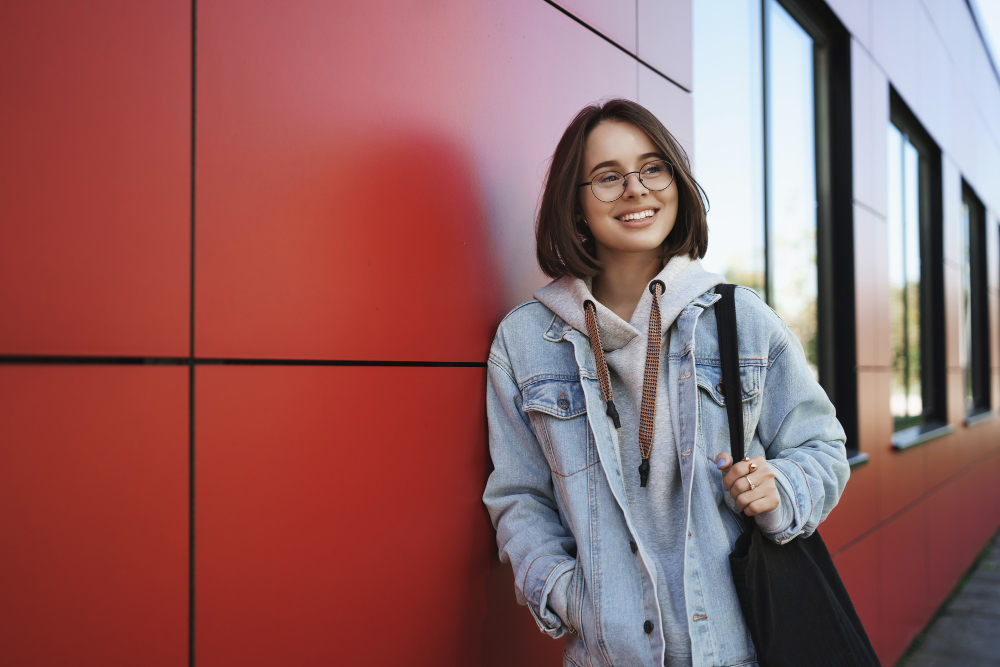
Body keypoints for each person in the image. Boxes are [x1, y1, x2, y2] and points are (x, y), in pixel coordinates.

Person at [482, 98, 850, 667]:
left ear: (676, 183)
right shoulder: (525, 341)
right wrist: (569, 593)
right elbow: (518, 496)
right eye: (607, 177)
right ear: (575, 206)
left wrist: (780, 487)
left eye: (653, 168)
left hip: (739, 653)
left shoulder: (741, 320)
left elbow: (822, 447)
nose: (636, 188)